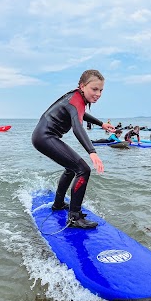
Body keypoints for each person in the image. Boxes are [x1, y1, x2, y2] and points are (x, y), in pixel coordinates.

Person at [32, 69, 115, 229]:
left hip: (43, 137)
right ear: (82, 86)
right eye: (94, 89)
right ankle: (74, 217)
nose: (98, 94)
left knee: (71, 168)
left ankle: (58, 204)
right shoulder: (75, 100)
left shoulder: (77, 97)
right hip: (45, 137)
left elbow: (80, 114)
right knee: (83, 169)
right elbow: (77, 127)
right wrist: (92, 152)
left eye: (101, 90)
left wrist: (101, 124)